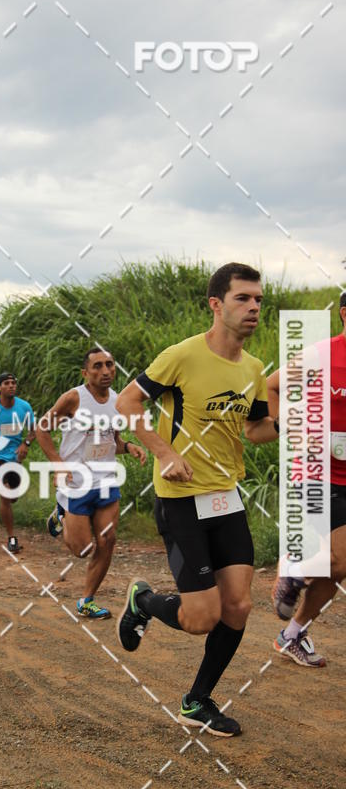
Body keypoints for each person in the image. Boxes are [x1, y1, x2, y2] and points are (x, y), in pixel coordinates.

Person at [116, 263, 279, 737]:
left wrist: (293, 421)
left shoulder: (252, 369)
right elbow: (128, 403)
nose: (253, 308)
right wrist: (164, 451)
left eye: (259, 300)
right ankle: (144, 601)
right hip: (180, 499)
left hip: (226, 500)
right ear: (216, 304)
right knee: (202, 618)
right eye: (243, 298)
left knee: (239, 608)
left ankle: (196, 700)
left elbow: (253, 432)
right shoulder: (183, 356)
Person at [36, 348, 146, 619]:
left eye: (110, 364)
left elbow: (112, 441)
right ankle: (59, 515)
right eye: (98, 366)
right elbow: (42, 429)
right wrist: (57, 463)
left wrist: (129, 446)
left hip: (106, 479)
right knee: (82, 550)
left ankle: (87, 600)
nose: (106, 371)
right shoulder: (74, 398)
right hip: (77, 481)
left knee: (107, 540)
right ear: (85, 372)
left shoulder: (119, 401)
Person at [267, 292, 346, 666]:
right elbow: (273, 384)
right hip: (314, 473)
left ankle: (291, 635)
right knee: (340, 558)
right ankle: (294, 569)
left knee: (340, 567)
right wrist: (291, 431)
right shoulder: (322, 353)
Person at [0, 372, 36, 553]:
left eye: (13, 383)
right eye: (6, 383)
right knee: (5, 495)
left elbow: (34, 430)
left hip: (14, 458)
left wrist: (25, 443)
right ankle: (12, 538)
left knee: (13, 496)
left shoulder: (24, 407)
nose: (11, 385)